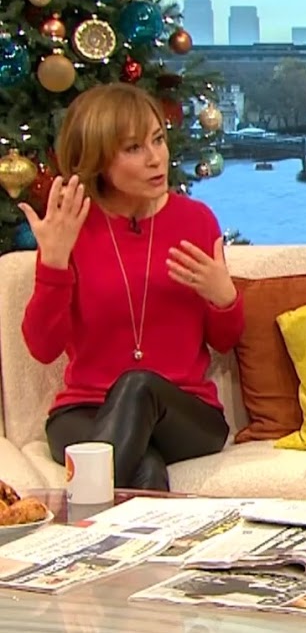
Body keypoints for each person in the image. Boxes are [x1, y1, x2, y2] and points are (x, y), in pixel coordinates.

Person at [21, 82, 243, 491]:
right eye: (134, 148)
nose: (156, 158)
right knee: (147, 470)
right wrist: (53, 263)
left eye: (158, 139)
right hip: (84, 410)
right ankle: (125, 530)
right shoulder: (72, 228)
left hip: (185, 413)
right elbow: (43, 347)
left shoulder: (195, 221)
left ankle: (80, 513)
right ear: (98, 159)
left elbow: (225, 340)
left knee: (139, 384)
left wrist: (223, 297)